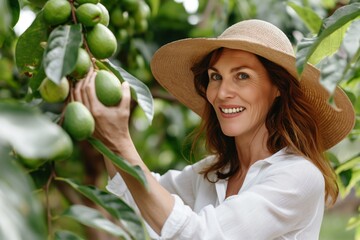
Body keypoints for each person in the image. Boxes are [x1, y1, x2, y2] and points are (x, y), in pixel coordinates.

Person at [74, 19, 355, 239]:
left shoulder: (299, 176)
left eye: (242, 76)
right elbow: (140, 194)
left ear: (278, 88)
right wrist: (108, 138)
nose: (222, 93)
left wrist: (121, 142)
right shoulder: (212, 172)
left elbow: (201, 235)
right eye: (215, 77)